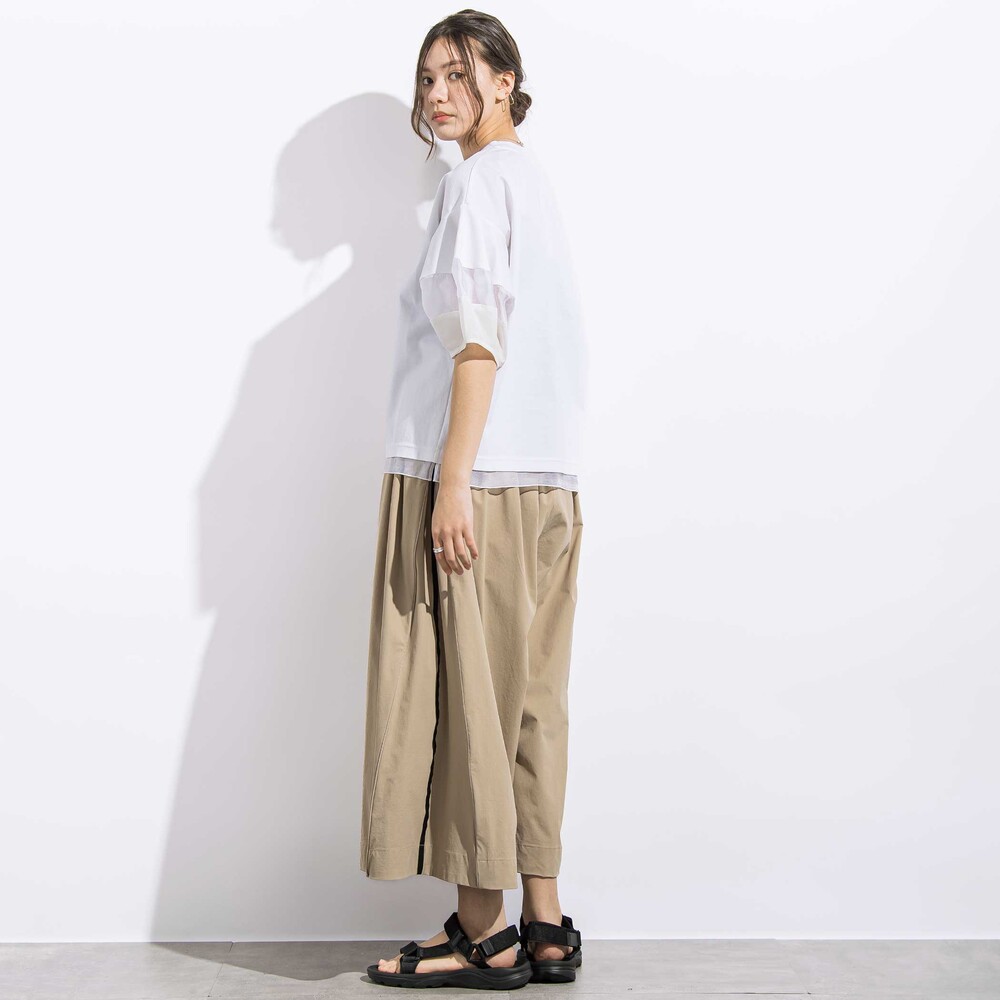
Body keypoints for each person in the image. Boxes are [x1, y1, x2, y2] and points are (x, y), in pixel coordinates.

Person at [360, 10, 587, 990]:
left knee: (469, 713)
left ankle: (481, 931)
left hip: (478, 483)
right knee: (530, 706)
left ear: (504, 79)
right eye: (426, 79)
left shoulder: (473, 185)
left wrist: (450, 480)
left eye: (458, 73)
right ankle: (545, 923)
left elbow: (477, 342)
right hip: (549, 486)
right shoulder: (530, 183)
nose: (438, 94)